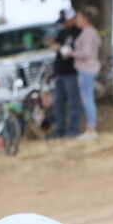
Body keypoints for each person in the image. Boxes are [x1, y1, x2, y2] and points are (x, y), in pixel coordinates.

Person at [47, 8, 81, 139]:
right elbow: (56, 46)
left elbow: (70, 51)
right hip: (59, 73)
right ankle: (59, 129)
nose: (63, 24)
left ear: (72, 19)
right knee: (58, 102)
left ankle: (74, 129)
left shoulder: (78, 33)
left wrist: (59, 47)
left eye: (65, 21)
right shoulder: (62, 33)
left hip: (72, 73)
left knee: (73, 102)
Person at [72, 6, 102, 140]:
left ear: (85, 19)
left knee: (87, 98)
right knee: (87, 98)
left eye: (78, 17)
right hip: (88, 68)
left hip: (87, 69)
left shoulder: (88, 33)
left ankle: (91, 128)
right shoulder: (90, 32)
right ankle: (90, 128)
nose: (76, 20)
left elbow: (86, 53)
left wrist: (70, 53)